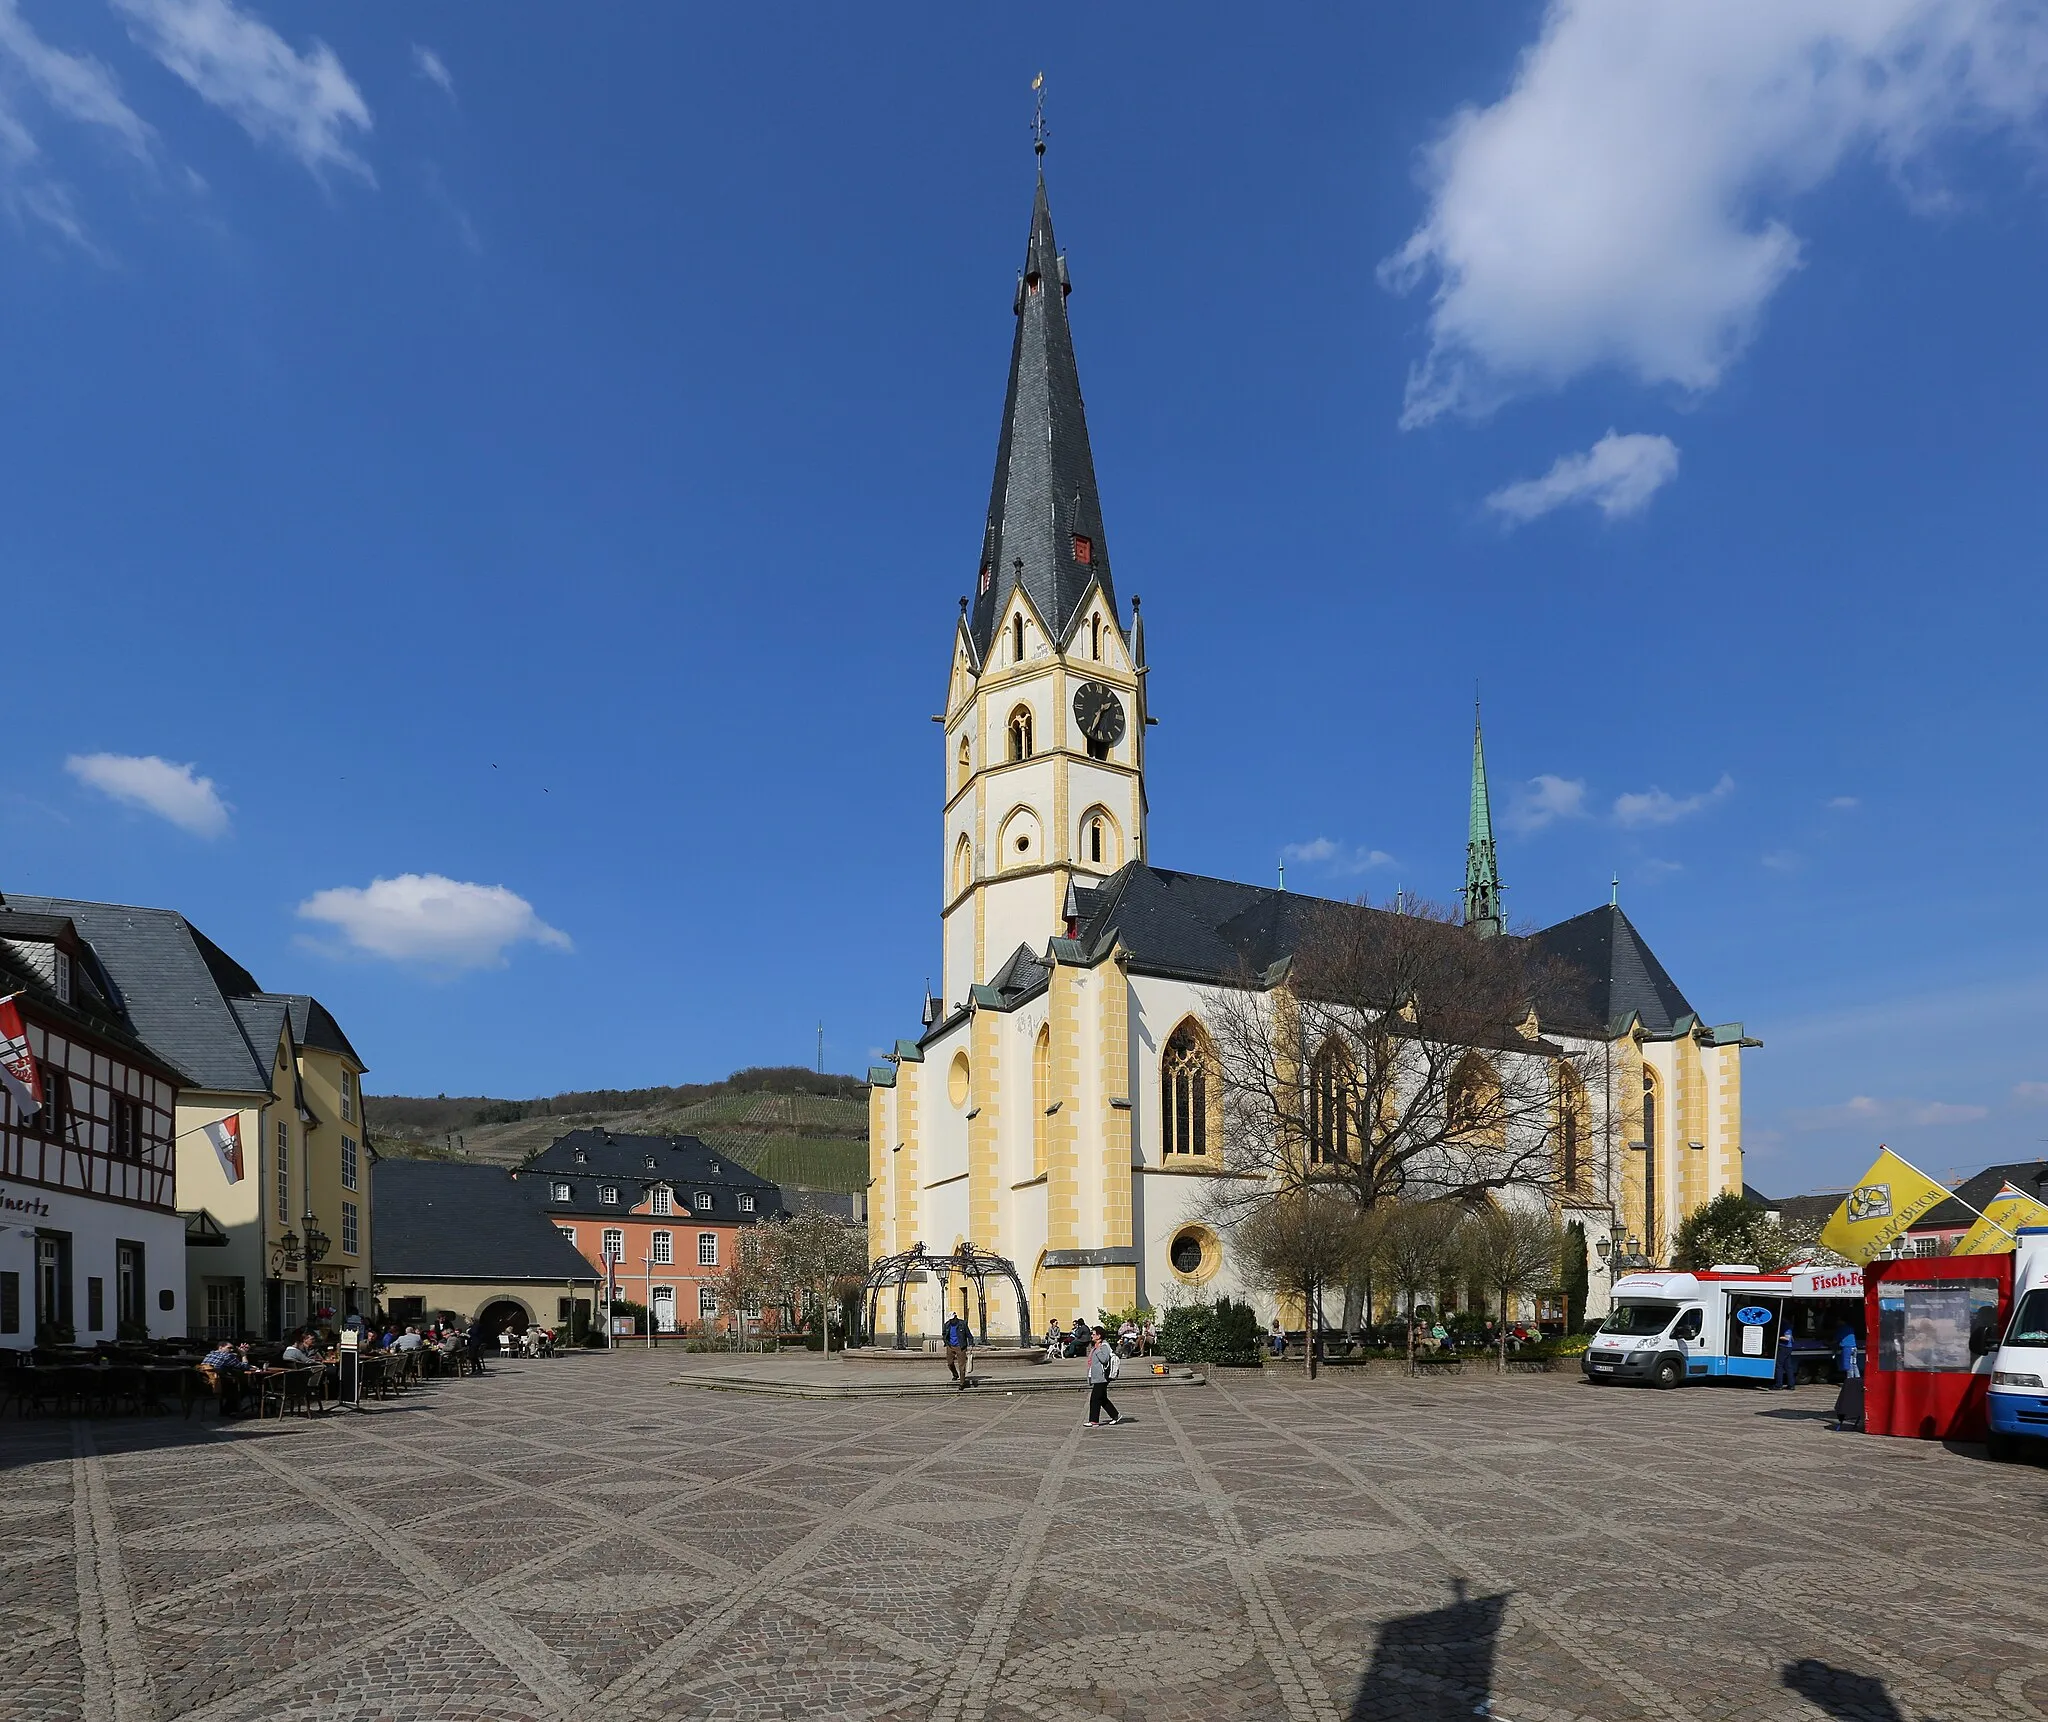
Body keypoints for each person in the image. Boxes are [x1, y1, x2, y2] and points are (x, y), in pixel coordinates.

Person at [1084, 1325, 1122, 1427]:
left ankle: (1094, 1420)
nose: (1092, 1335)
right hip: (1097, 1376)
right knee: (1102, 1399)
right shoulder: (1097, 1345)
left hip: (1102, 1377)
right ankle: (1115, 1415)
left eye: (1093, 1334)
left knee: (1095, 1399)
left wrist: (1098, 1349)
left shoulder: (1104, 1346)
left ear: (1099, 1335)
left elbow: (1104, 1359)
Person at [202, 1341, 249, 1414]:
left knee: (234, 1384)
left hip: (206, 1383)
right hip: (218, 1385)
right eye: (229, 1348)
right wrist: (243, 1354)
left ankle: (228, 1409)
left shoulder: (209, 1355)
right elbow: (245, 1367)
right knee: (243, 1387)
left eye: (232, 1348)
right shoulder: (228, 1356)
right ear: (220, 1347)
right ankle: (229, 1410)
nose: (231, 1350)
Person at [942, 1309, 972, 1389]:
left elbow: (968, 1334)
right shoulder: (947, 1325)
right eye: (951, 1319)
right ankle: (955, 1374)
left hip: (960, 1346)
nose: (952, 1320)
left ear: (956, 1317)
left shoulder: (962, 1324)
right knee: (950, 1363)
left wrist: (971, 1343)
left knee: (961, 1365)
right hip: (950, 1346)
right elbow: (944, 1334)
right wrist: (946, 1342)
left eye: (953, 1319)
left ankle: (962, 1383)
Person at [1774, 1316, 1799, 1391]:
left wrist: (1777, 1337)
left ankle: (1779, 1385)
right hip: (1789, 1347)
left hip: (1784, 1347)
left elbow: (1787, 1338)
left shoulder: (1786, 1325)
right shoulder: (1790, 1325)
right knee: (1788, 1367)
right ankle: (1791, 1384)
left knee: (1779, 1366)